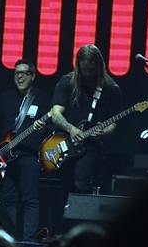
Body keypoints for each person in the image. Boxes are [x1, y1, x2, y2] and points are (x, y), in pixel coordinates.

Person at [0, 59, 50, 242]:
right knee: (8, 198)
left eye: (24, 73)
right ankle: (12, 238)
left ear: (33, 76)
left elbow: (52, 127)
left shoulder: (42, 99)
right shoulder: (5, 97)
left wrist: (43, 129)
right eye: (17, 73)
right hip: (5, 156)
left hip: (29, 155)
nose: (20, 76)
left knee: (30, 199)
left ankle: (28, 241)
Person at [49, 44, 122, 193]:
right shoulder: (67, 82)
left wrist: (104, 132)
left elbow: (114, 123)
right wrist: (71, 129)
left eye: (91, 70)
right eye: (84, 69)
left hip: (91, 144)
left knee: (80, 180)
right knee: (64, 185)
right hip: (65, 141)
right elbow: (55, 114)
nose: (87, 73)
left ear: (99, 66)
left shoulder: (111, 89)